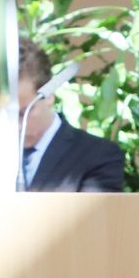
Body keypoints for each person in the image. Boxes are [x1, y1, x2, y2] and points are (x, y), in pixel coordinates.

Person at [17, 38, 126, 192]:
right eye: (5, 115)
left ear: (49, 96)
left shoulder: (98, 156)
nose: (17, 126)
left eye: (23, 113)